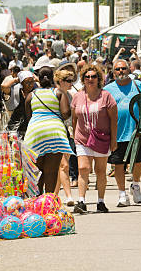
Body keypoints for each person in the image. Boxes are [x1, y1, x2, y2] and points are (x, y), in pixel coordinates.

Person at [71, 63, 118, 214]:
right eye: (87, 77)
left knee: (100, 170)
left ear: (99, 79)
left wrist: (113, 140)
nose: (90, 79)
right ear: (83, 79)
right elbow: (74, 118)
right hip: (82, 138)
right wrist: (74, 134)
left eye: (93, 77)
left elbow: (113, 119)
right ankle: (81, 201)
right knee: (83, 168)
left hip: (102, 138)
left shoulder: (106, 96)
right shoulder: (77, 96)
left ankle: (101, 202)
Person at [104, 59, 141, 207]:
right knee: (118, 164)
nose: (121, 71)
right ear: (113, 72)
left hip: (136, 132)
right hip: (117, 132)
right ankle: (122, 194)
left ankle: (135, 185)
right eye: (117, 69)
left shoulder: (138, 85)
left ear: (129, 70)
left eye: (123, 69)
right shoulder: (108, 89)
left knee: (139, 162)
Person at [24, 66, 73, 193]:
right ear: (53, 78)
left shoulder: (31, 95)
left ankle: (37, 202)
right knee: (51, 172)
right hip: (54, 132)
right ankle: (49, 203)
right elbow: (66, 113)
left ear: (38, 79)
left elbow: (28, 118)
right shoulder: (58, 93)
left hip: (35, 132)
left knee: (37, 171)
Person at [53, 68, 76, 206]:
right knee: (64, 165)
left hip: (66, 132)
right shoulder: (54, 94)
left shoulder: (70, 95)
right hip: (56, 132)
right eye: (68, 81)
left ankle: (53, 197)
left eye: (72, 81)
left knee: (61, 166)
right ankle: (68, 196)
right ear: (60, 81)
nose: (71, 84)